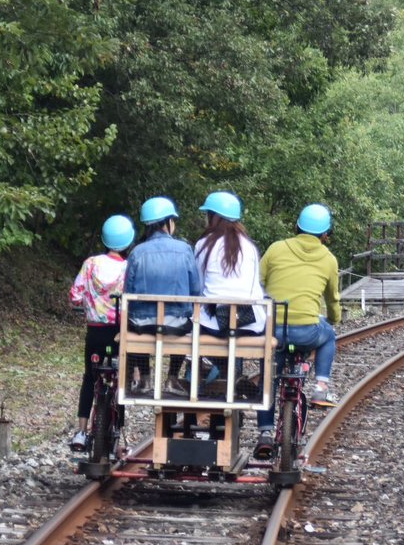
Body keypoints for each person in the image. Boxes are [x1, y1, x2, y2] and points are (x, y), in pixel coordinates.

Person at [256, 203, 342, 457]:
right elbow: (333, 299)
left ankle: (264, 432)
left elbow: (257, 282)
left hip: (275, 332)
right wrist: (334, 319)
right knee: (329, 336)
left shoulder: (276, 249)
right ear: (325, 234)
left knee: (268, 380)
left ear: (297, 227)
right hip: (307, 332)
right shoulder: (328, 259)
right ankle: (321, 388)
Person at [68, 214, 135, 449]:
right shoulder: (129, 267)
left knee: (90, 377)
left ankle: (81, 432)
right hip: (118, 334)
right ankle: (119, 437)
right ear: (128, 240)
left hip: (95, 332)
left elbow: (75, 296)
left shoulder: (91, 264)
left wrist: (88, 304)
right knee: (121, 380)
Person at [124, 195, 202, 391]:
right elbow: (196, 291)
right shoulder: (184, 250)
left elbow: (128, 292)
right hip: (175, 323)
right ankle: (172, 378)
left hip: (142, 323)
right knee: (188, 323)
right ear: (167, 222)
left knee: (132, 324)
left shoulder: (137, 252)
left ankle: (145, 378)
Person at [195, 191, 267, 337]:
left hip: (213, 323)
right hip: (248, 322)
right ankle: (231, 361)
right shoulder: (249, 246)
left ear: (213, 216)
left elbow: (200, 286)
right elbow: (254, 288)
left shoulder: (203, 245)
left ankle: (214, 360)